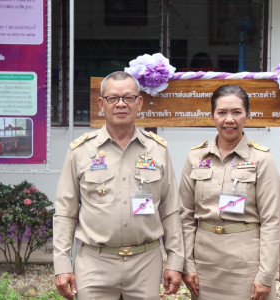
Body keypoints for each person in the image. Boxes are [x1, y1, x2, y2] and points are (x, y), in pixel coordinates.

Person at [53, 71, 184, 300]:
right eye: (113, 98)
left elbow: (170, 210)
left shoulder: (157, 150)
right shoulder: (81, 151)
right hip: (95, 262)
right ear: (101, 105)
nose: (121, 104)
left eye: (129, 98)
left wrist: (175, 260)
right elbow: (65, 212)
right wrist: (62, 264)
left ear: (139, 103)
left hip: (145, 262)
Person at [179, 84, 280, 300]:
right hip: (205, 264)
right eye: (222, 112)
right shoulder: (196, 158)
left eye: (237, 112)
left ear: (248, 115)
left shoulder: (261, 159)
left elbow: (271, 221)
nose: (229, 119)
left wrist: (266, 274)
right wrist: (187, 264)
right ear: (212, 115)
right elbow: (185, 217)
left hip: (246, 264)